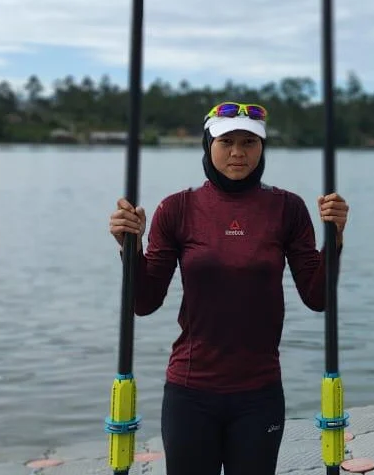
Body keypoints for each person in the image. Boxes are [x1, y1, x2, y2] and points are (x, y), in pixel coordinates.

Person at [108, 101, 350, 475]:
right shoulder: (177, 208)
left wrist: (333, 238)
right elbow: (144, 302)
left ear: (262, 148)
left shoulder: (288, 208)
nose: (238, 153)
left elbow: (317, 299)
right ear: (209, 146)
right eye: (227, 142)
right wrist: (131, 246)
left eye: (249, 142)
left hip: (259, 392)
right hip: (190, 391)